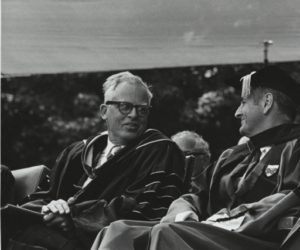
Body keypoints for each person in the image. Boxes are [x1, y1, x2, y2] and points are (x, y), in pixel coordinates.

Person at [91, 65, 300, 250]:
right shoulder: (234, 156)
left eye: (243, 102)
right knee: (120, 230)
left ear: (266, 103)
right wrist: (185, 212)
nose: (236, 112)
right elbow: (196, 195)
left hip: (262, 241)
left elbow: (290, 201)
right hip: (216, 235)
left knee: (167, 233)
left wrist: (219, 222)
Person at [5, 72, 186, 250]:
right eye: (125, 106)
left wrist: (73, 218)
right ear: (104, 111)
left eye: (142, 109)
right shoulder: (78, 151)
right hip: (50, 230)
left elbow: (144, 210)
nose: (134, 115)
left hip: (99, 240)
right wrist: (52, 208)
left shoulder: (159, 150)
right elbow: (50, 194)